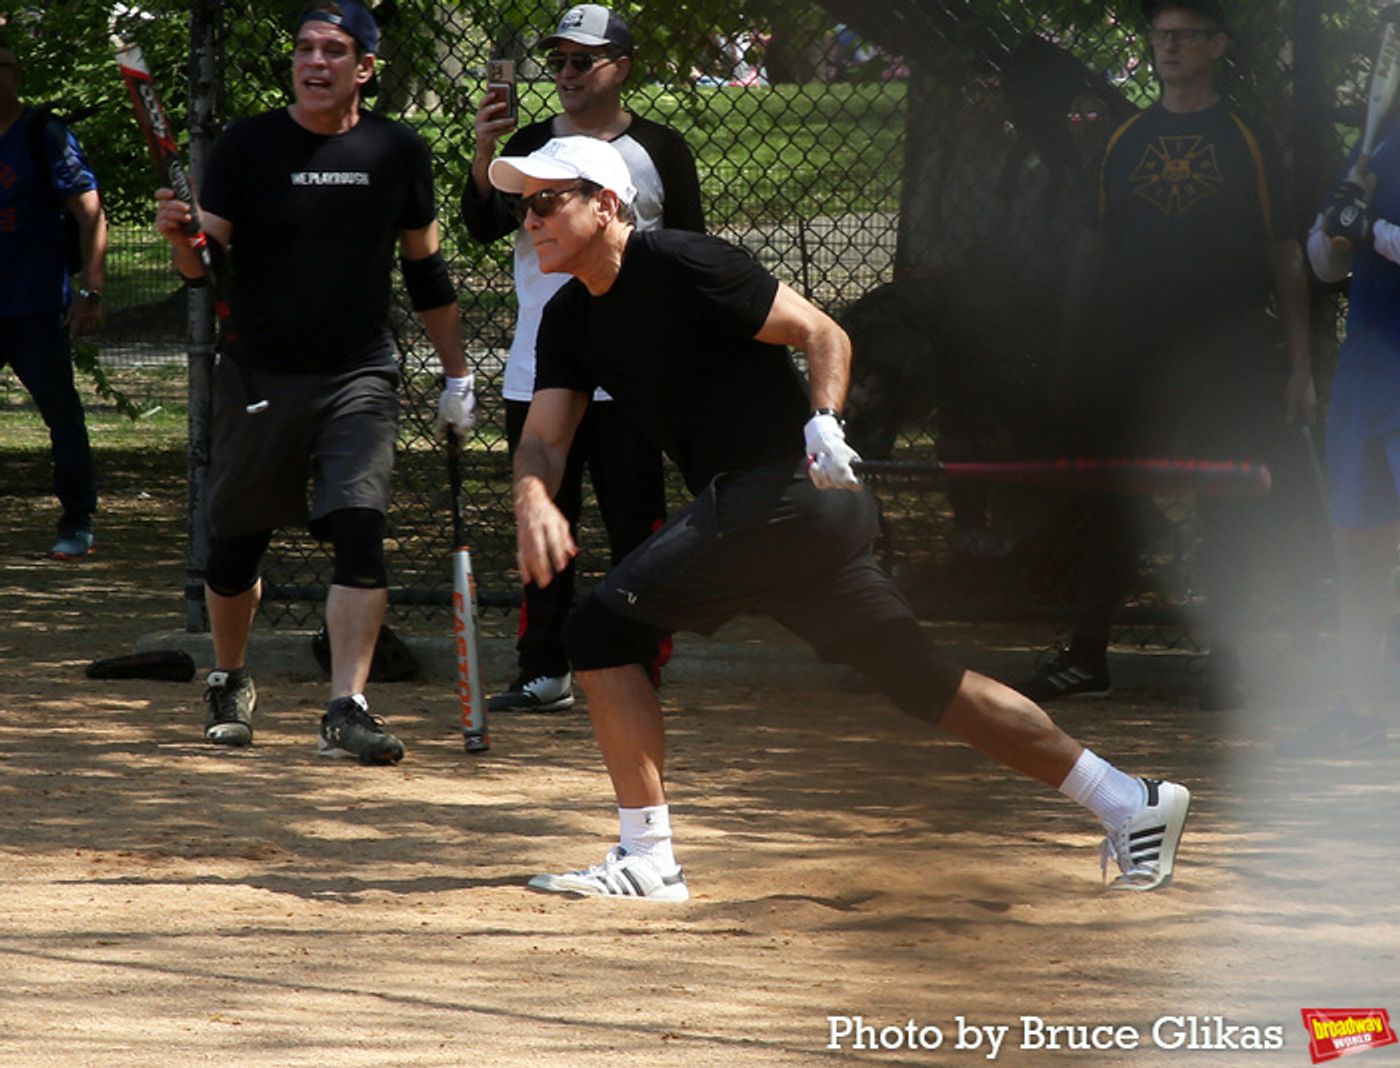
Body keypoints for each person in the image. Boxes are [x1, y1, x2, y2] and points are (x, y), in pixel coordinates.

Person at [492, 135, 1191, 901]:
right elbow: (544, 443)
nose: (530, 218)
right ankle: (1131, 801)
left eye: (547, 200)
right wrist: (532, 496)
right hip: (779, 516)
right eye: (523, 204)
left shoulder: (688, 264)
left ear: (607, 202)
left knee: (596, 632)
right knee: (923, 680)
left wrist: (825, 420)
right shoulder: (567, 319)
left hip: (788, 490)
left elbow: (823, 331)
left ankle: (649, 857)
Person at [153, 1, 474, 764]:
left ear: (364, 67)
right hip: (259, 371)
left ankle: (347, 706)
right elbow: (207, 269)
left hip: (359, 372)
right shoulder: (249, 145)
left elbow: (424, 269)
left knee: (360, 532)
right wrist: (182, 241)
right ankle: (230, 678)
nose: (315, 62)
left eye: (334, 51)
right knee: (235, 548)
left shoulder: (398, 149)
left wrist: (457, 376)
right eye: (304, 49)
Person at [1016, 0, 1314, 711]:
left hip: (1225, 351)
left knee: (1227, 502)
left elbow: (1284, 253)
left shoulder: (1246, 138)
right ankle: (1087, 652)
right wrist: (1071, 350)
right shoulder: (1127, 139)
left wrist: (1302, 366)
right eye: (1160, 36)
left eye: (1183, 36)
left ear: (1216, 46)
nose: (1169, 47)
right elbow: (1094, 245)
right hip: (1134, 352)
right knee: (1112, 495)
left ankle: (1230, 660)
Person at [462, 4, 704, 713]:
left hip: (633, 373)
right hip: (541, 366)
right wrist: (485, 151)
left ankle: (638, 660)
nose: (565, 74)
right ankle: (545, 669)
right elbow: (480, 228)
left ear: (620, 68)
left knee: (638, 528)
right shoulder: (532, 145)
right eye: (557, 61)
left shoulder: (661, 147)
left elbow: (687, 256)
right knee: (543, 515)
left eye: (581, 61)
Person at [1289, 55, 1400, 755]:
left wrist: (1370, 231)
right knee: (1358, 555)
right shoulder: (1377, 150)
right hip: (1367, 386)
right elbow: (1323, 264)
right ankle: (1359, 712)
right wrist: (1335, 221)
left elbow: (1369, 241)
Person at [0, 40, 106, 560]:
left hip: (34, 305)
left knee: (60, 414)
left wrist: (90, 290)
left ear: (16, 73)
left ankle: (77, 519)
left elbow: (90, 213)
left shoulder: (44, 134)